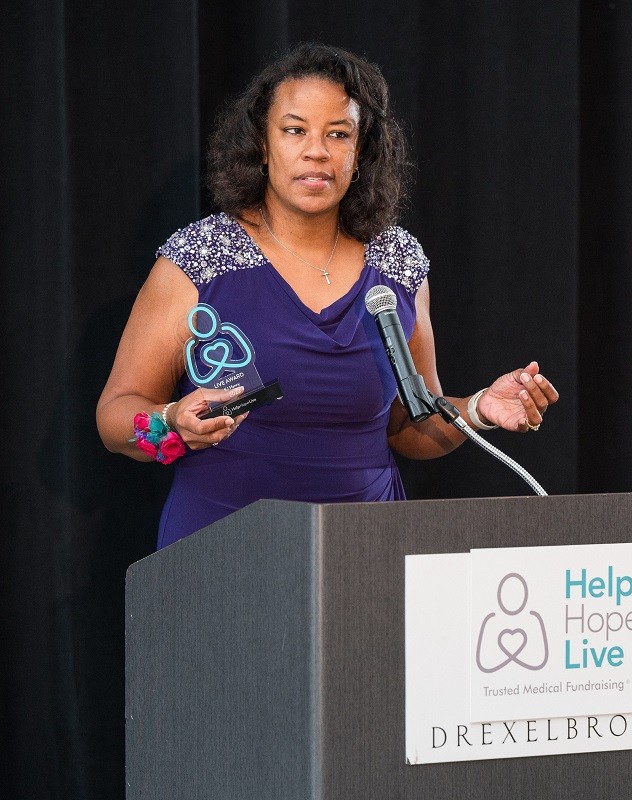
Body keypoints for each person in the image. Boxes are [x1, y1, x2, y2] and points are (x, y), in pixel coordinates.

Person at [97, 43, 558, 549]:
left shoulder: (399, 264)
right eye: (295, 131)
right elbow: (115, 415)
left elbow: (409, 426)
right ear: (263, 144)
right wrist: (170, 422)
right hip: (221, 558)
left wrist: (475, 409)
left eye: (338, 134)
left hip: (365, 561)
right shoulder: (199, 259)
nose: (316, 150)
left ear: (359, 154)